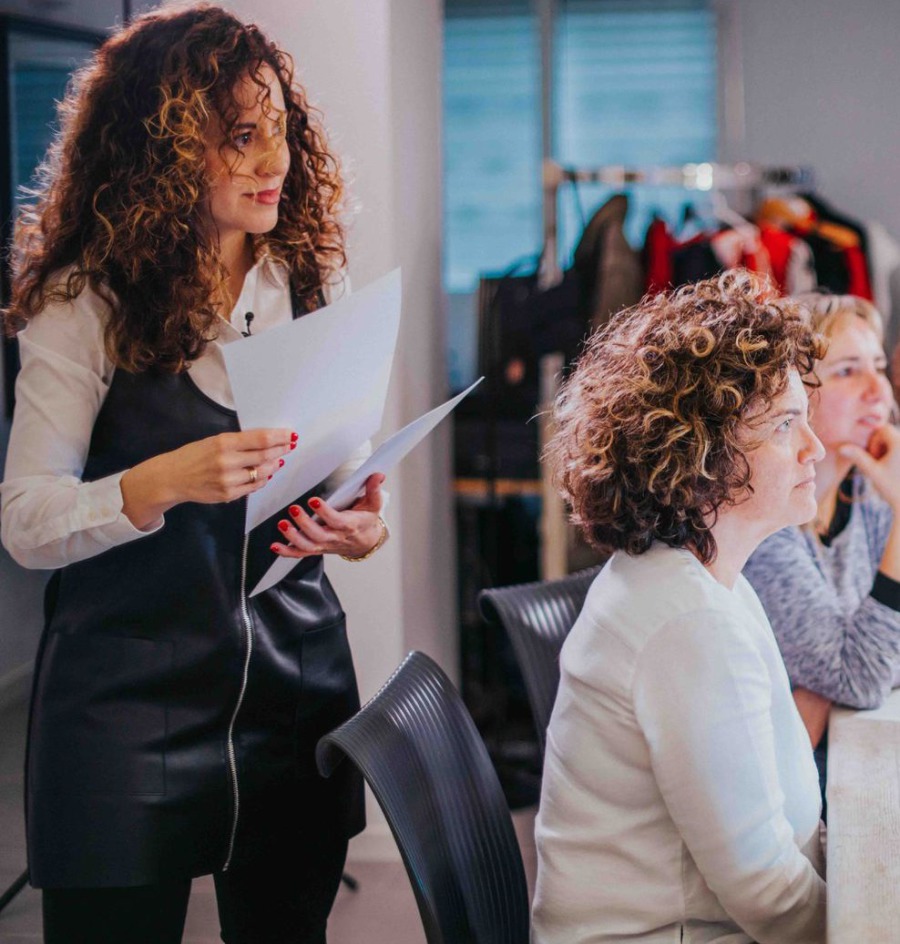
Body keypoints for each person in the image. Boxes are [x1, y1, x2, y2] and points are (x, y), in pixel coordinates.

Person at [0, 7, 388, 943]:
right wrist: (159, 481)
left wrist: (361, 527)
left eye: (280, 132)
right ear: (160, 153)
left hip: (295, 690)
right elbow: (25, 521)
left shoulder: (308, 282)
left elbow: (342, 474)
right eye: (239, 138)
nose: (273, 162)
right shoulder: (82, 302)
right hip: (126, 710)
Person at [532, 270, 827, 944]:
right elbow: (769, 898)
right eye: (786, 424)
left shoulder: (701, 579)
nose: (814, 448)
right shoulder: (688, 623)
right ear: (705, 457)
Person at [743, 293, 900, 791]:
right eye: (849, 371)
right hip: (797, 798)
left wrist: (824, 689)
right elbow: (862, 677)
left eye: (879, 367)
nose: (879, 391)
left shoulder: (866, 490)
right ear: (794, 390)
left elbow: (867, 664)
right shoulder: (767, 526)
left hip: (844, 767)